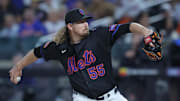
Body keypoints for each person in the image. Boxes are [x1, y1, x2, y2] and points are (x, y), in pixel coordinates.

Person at [9, 8, 156, 101]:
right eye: (80, 22)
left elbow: (128, 27)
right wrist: (19, 66)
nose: (85, 24)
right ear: (70, 26)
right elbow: (37, 52)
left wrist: (146, 32)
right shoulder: (60, 47)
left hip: (112, 96)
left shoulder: (99, 35)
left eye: (86, 21)